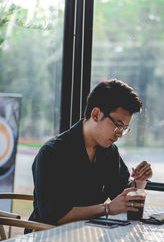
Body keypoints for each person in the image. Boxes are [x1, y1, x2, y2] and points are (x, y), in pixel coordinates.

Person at [27, 79, 152, 230]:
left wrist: (140, 181)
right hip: (48, 239)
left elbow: (119, 195)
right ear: (96, 114)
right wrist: (107, 209)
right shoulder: (52, 152)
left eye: (124, 128)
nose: (119, 134)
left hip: (89, 235)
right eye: (118, 125)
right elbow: (54, 215)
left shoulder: (109, 152)